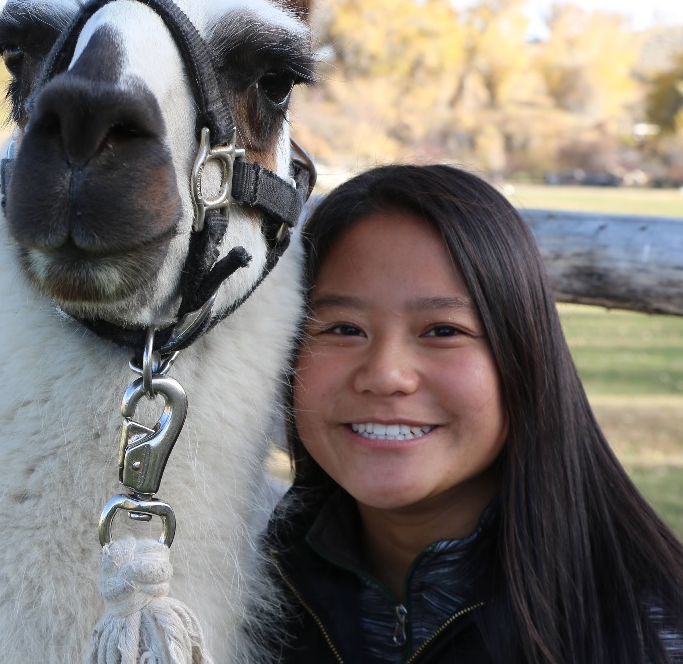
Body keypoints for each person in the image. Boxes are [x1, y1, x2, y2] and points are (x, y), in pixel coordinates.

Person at [263, 164, 683, 664]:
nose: (386, 374)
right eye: (343, 329)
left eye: (443, 330)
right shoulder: (232, 601)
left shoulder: (649, 633)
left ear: (524, 356)